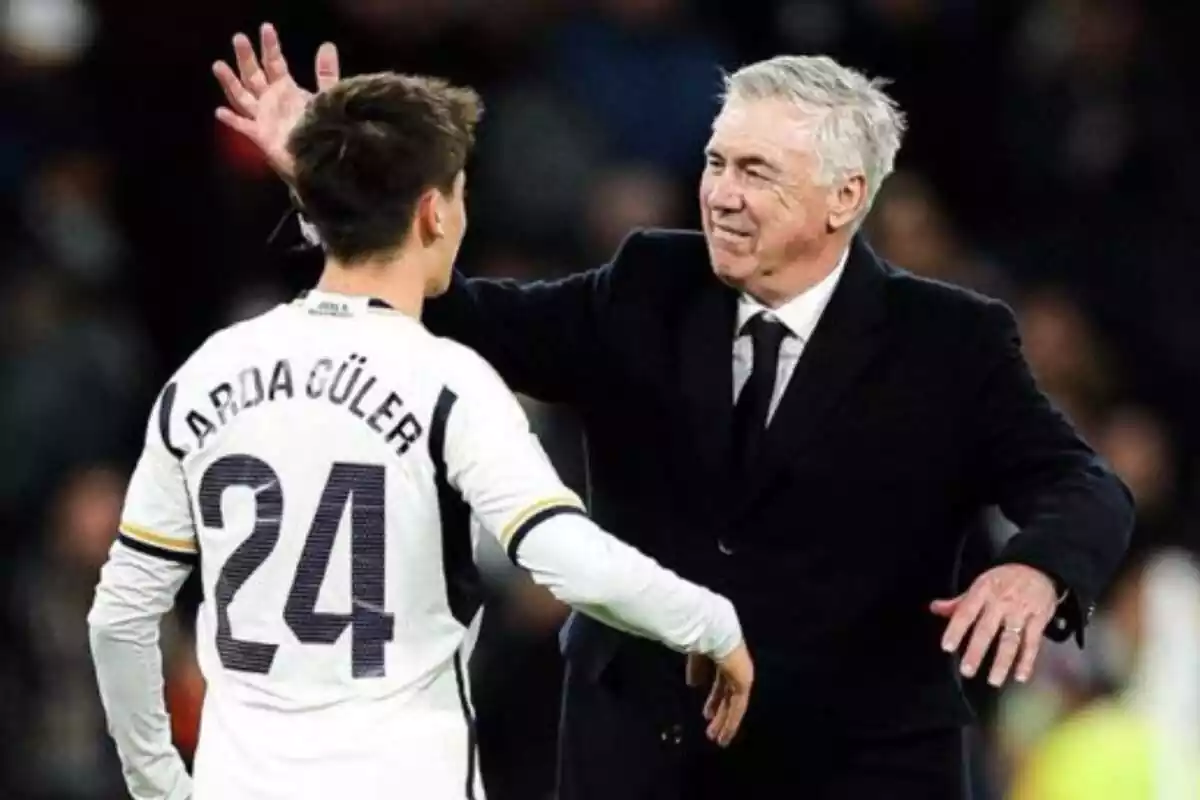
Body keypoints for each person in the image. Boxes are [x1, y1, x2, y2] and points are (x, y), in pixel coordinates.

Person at [212, 25, 1135, 800]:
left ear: (845, 198)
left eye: (758, 173)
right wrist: (334, 186)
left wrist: (1038, 571)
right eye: (715, 161)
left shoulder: (951, 340)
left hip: (859, 765)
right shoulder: (651, 282)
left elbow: (1080, 483)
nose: (722, 194)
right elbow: (458, 316)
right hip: (639, 754)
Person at [87, 71, 754, 800]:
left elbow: (120, 616)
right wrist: (711, 620)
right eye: (461, 192)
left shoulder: (209, 370)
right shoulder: (448, 381)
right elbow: (564, 558)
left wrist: (158, 784)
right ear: (434, 212)